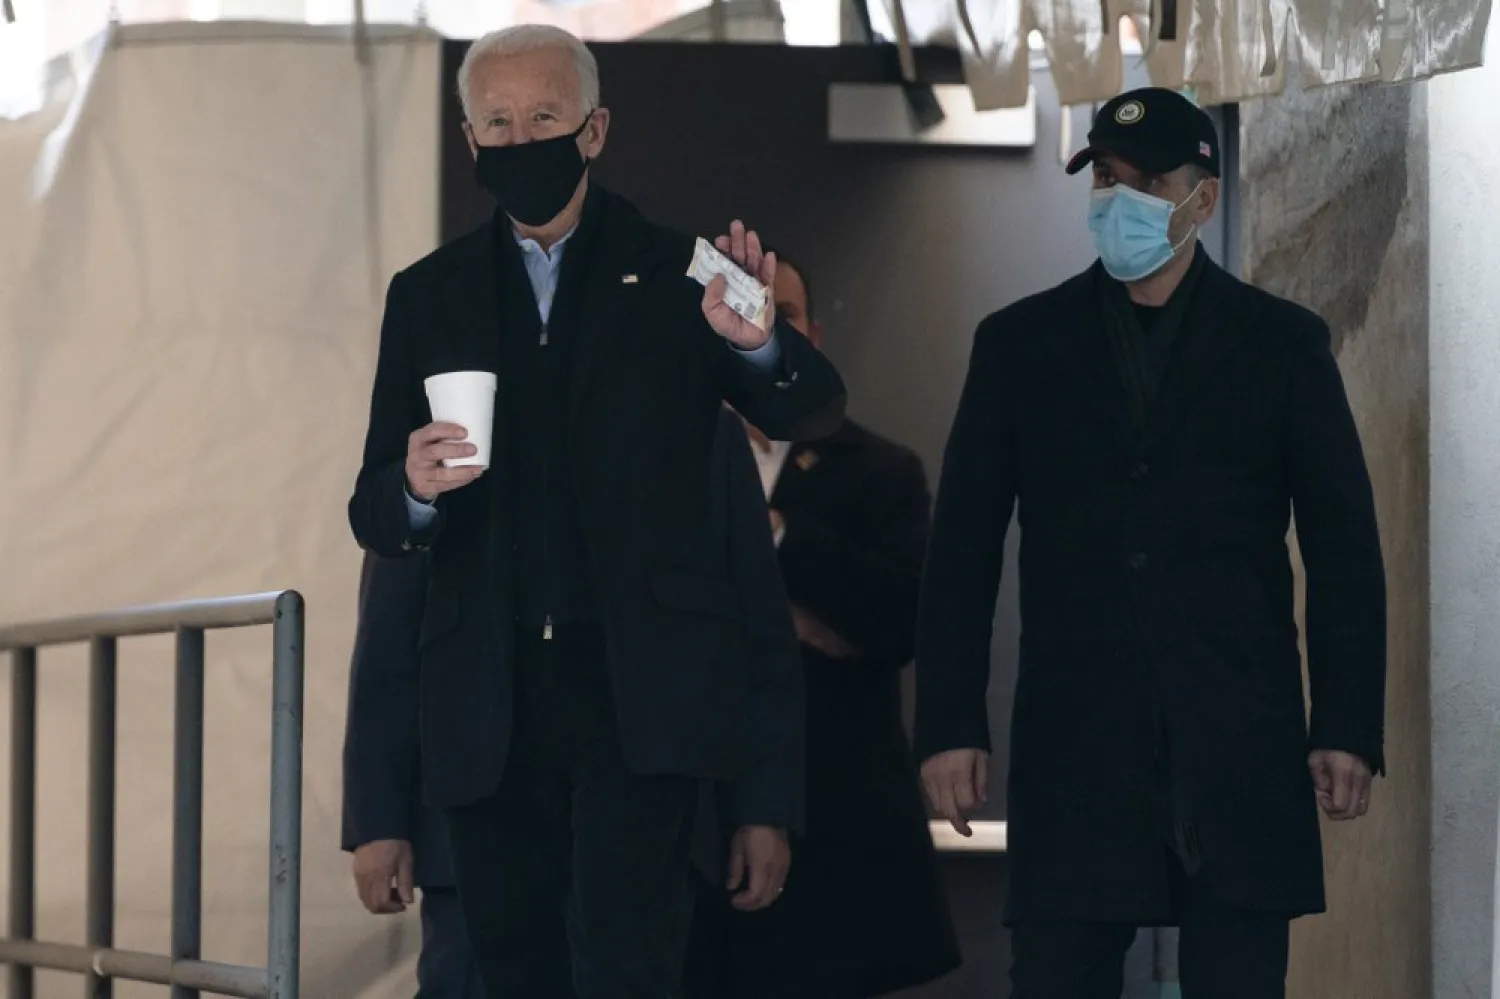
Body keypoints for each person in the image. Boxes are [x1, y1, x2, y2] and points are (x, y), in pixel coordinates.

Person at [346, 23, 845, 999]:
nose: (520, 137)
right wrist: (410, 484)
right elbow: (378, 521)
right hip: (486, 707)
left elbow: (809, 406)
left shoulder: (684, 271)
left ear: (596, 130)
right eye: (498, 120)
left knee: (629, 965)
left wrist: (751, 347)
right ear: (469, 138)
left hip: (636, 701)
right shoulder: (428, 295)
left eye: (545, 117)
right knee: (505, 966)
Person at [914, 87, 1388, 999]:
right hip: (1077, 740)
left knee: (1239, 978)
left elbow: (1342, 548)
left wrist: (1346, 724)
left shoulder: (1282, 346)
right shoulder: (1020, 345)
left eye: (1144, 181)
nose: (1116, 197)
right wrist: (949, 725)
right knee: (1056, 977)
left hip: (1238, 737)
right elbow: (962, 549)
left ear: (1201, 199)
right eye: (1103, 176)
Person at [683, 255, 961, 998]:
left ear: (813, 335)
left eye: (786, 313)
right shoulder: (664, 466)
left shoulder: (880, 469)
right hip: (694, 822)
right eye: (741, 306)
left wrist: (771, 532)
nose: (763, 324)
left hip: (840, 820)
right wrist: (800, 619)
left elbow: (897, 623)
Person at [341, 552, 485, 999]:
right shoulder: (436, 484)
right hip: (470, 826)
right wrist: (378, 824)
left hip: (627, 826)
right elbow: (386, 653)